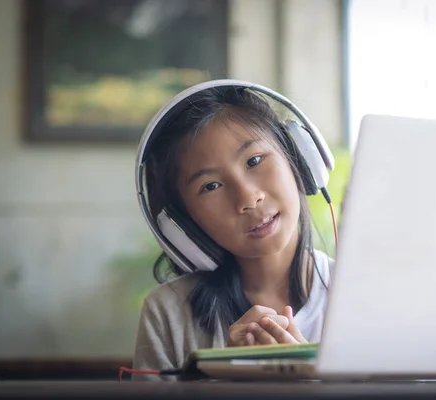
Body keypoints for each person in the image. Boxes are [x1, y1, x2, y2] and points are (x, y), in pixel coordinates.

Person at [132, 82, 335, 380]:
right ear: (184, 225)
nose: (247, 198)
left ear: (300, 160)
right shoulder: (167, 315)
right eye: (210, 186)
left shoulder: (365, 299)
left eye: (254, 160)